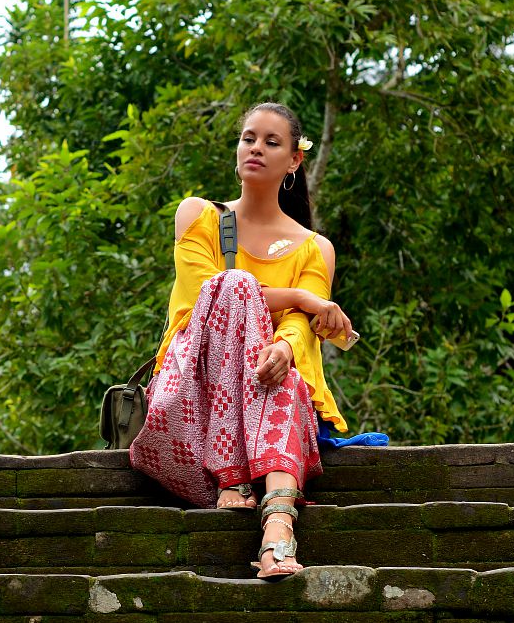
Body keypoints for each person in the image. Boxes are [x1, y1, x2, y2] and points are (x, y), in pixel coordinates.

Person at [129, 102, 353, 579]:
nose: (256, 147)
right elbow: (202, 296)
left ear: (294, 161)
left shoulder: (316, 248)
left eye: (272, 142)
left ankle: (277, 533)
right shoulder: (198, 216)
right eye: (249, 137)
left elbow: (297, 326)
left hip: (268, 398)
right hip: (194, 391)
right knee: (233, 287)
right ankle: (231, 472)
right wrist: (301, 298)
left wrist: (285, 347)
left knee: (287, 381)